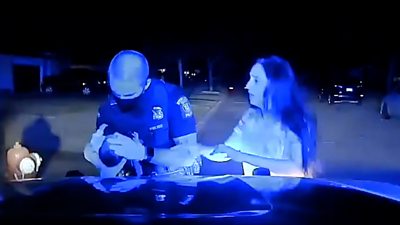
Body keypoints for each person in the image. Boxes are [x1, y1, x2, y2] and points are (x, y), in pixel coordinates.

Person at [84, 50, 201, 178]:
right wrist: (96, 155)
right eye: (117, 93)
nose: (122, 99)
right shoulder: (106, 108)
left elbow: (189, 156)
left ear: (146, 84)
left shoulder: (170, 97)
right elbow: (108, 165)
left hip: (172, 182)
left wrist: (143, 153)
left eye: (129, 95)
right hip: (131, 186)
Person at [203, 56, 318, 178]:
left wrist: (241, 156)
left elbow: (295, 168)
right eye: (250, 79)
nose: (247, 85)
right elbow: (226, 151)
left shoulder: (293, 120)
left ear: (274, 86)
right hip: (255, 194)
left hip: (288, 196)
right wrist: (194, 151)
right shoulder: (250, 117)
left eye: (256, 80)